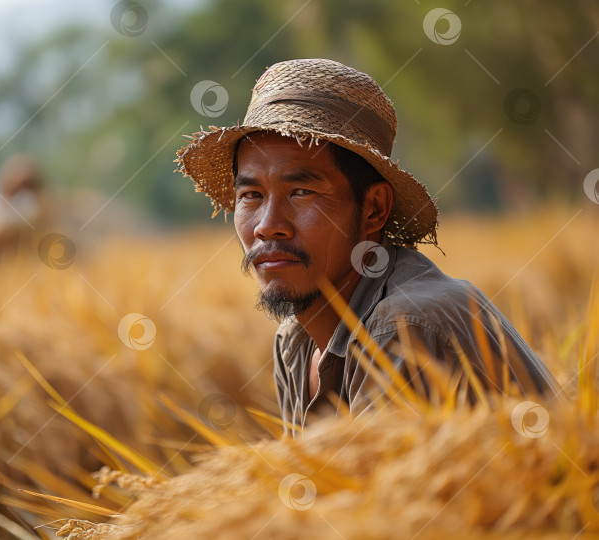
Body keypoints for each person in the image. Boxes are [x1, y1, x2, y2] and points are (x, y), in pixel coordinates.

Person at [173, 58, 565, 436]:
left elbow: (390, 504)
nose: (267, 227)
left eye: (302, 191)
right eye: (252, 195)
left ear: (374, 208)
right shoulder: (296, 341)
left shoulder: (407, 326)